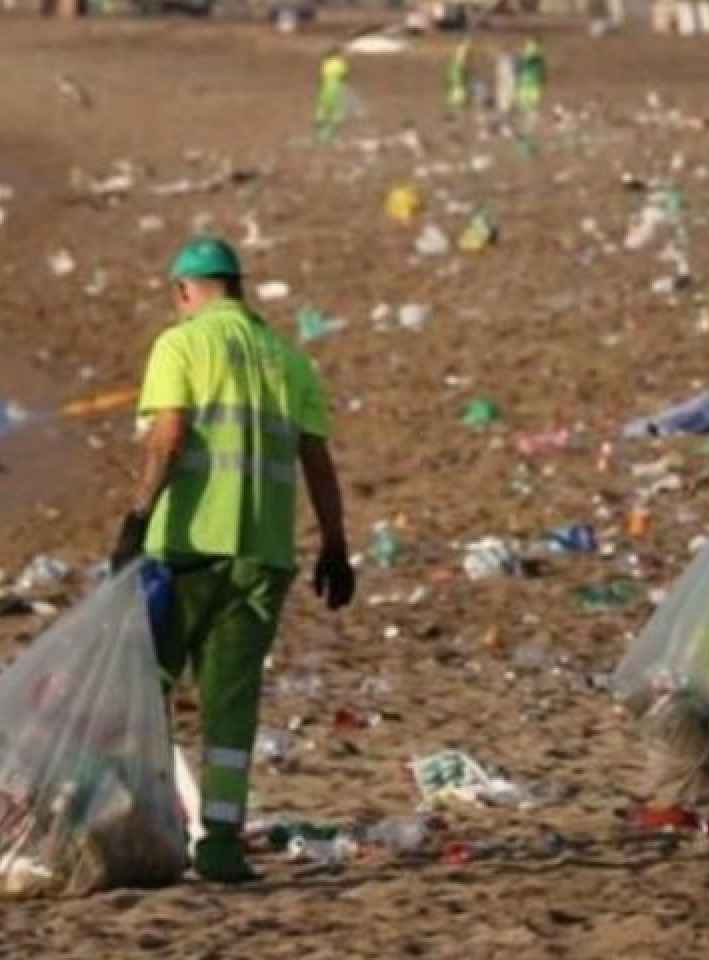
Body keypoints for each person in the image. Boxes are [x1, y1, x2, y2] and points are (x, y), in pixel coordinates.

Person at [110, 236, 356, 882]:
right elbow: (317, 462)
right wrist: (335, 544)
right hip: (264, 557)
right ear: (238, 287)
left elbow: (168, 436)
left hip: (186, 553)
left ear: (184, 292)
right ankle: (219, 845)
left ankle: (145, 828)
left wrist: (136, 517)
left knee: (147, 690)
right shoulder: (288, 360)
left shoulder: (181, 343)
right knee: (230, 707)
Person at [315, 49, 350, 142]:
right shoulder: (341, 63)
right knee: (337, 110)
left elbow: (320, 77)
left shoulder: (326, 63)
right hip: (337, 88)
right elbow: (345, 76)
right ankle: (332, 135)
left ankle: (319, 134)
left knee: (323, 108)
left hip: (325, 88)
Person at [516, 38, 545, 117]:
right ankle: (527, 111)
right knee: (529, 99)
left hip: (529, 80)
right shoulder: (536, 54)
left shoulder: (533, 54)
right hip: (529, 80)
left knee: (529, 99)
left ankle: (527, 111)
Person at [447, 38, 472, 112]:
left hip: (457, 74)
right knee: (460, 60)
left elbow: (452, 84)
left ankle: (464, 44)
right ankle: (464, 44)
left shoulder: (456, 96)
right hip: (458, 75)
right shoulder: (458, 96)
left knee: (459, 60)